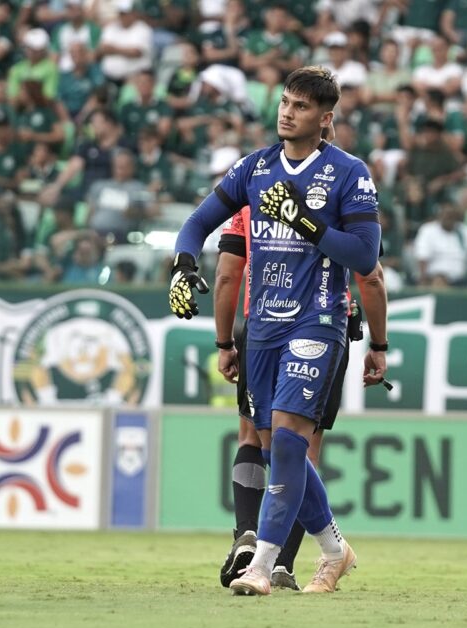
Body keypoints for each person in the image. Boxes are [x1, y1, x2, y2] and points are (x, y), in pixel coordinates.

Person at [169, 66, 380, 596]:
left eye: (301, 106)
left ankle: (261, 567)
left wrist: (304, 220)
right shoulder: (255, 167)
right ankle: (335, 550)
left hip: (319, 320)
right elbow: (196, 223)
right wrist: (182, 264)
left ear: (325, 118)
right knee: (273, 450)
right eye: (285, 102)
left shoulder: (349, 173)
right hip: (262, 327)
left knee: (287, 438)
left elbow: (364, 256)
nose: (287, 112)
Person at [213, 166, 390, 590]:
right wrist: (379, 343)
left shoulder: (252, 192)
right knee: (299, 448)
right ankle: (287, 561)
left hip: (262, 328)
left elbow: (227, 274)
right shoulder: (345, 191)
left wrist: (225, 341)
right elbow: (370, 275)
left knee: (259, 440)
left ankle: (252, 542)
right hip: (323, 327)